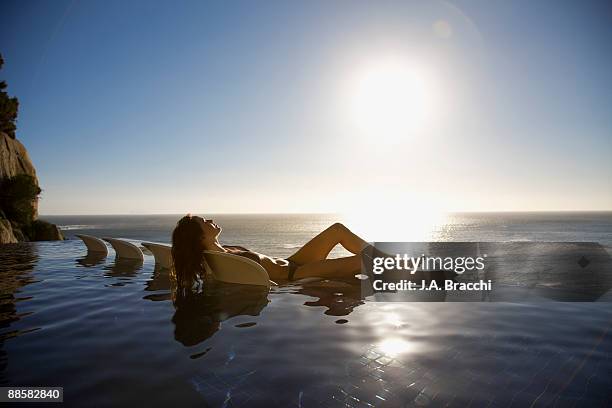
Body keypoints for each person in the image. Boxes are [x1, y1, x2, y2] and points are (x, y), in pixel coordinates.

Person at [170, 214, 378, 292]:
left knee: (337, 229)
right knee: (361, 261)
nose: (208, 220)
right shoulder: (222, 261)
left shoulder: (225, 250)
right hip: (297, 274)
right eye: (202, 221)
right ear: (199, 237)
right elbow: (265, 286)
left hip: (293, 262)